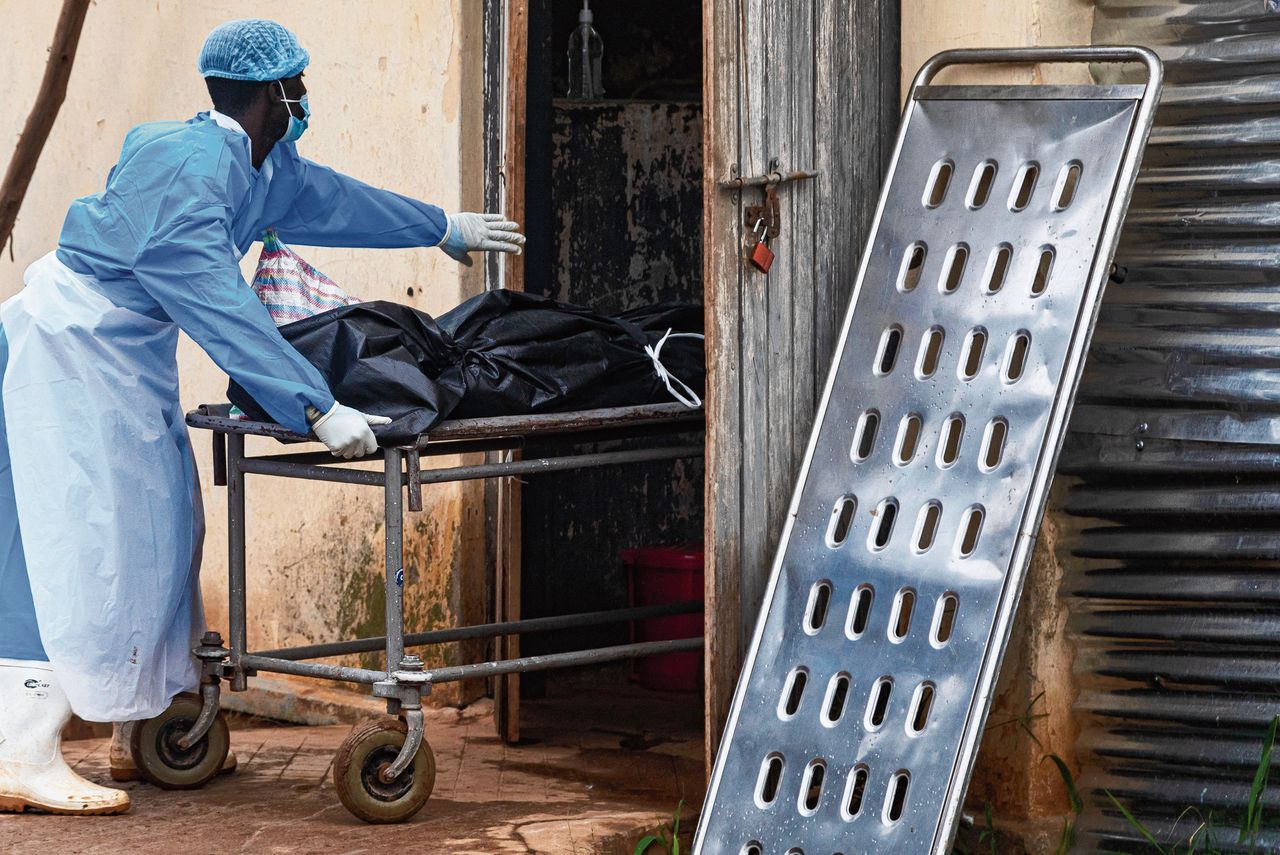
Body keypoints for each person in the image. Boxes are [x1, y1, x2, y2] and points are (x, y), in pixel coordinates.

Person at [0, 18, 523, 815]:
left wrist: (440, 225)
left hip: (122, 359)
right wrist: (316, 404)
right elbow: (225, 310)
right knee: (72, 539)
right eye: (298, 86)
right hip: (66, 358)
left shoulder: (256, 163)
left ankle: (137, 721)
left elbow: (335, 200)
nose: (306, 99)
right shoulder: (185, 174)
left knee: (162, 531)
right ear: (270, 95)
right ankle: (19, 748)